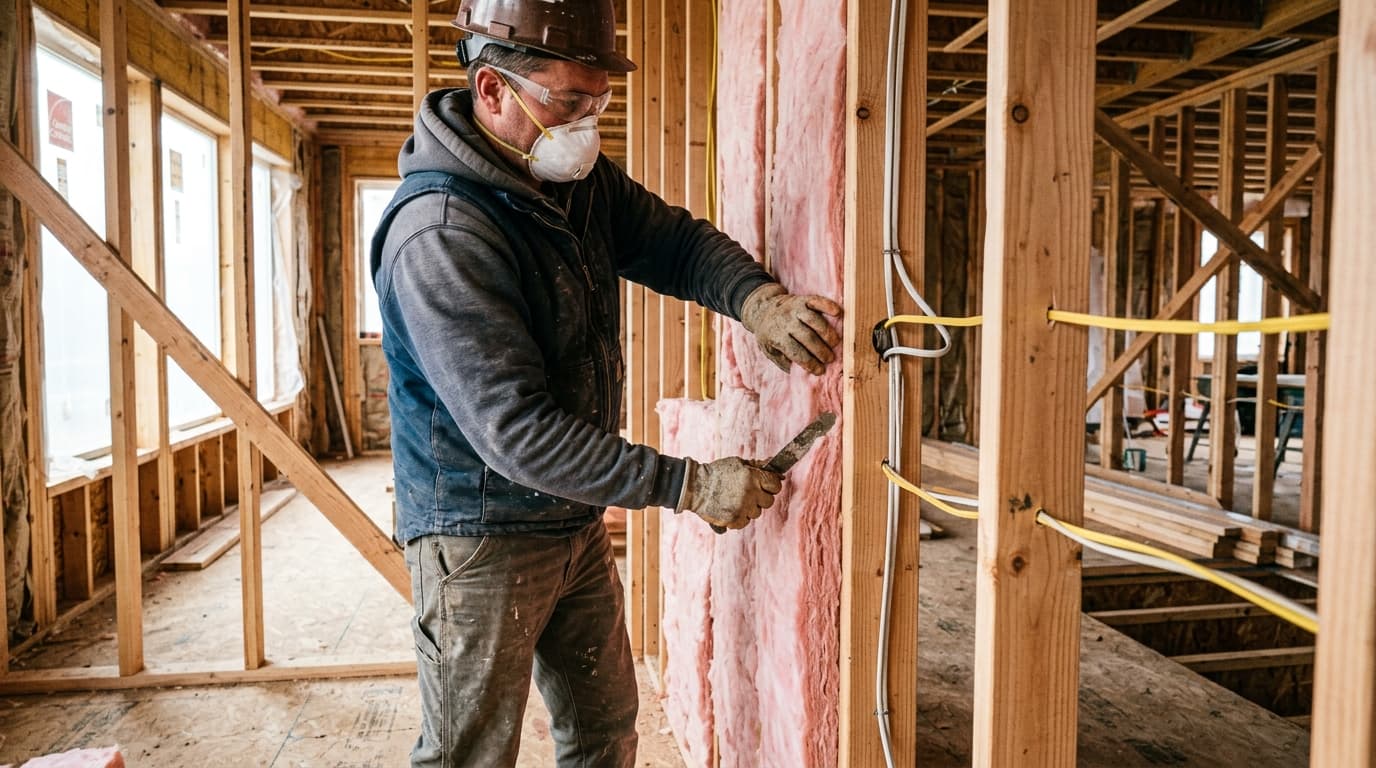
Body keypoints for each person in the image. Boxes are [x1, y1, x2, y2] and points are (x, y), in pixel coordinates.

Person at [369, 0, 843, 764]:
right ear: (492, 90)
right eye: (569, 102)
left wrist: (756, 300)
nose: (587, 124)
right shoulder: (442, 236)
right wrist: (687, 485)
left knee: (603, 731)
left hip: (571, 518)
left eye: (600, 101)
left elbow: (671, 244)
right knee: (471, 753)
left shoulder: (568, 178)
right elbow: (515, 433)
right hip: (481, 536)